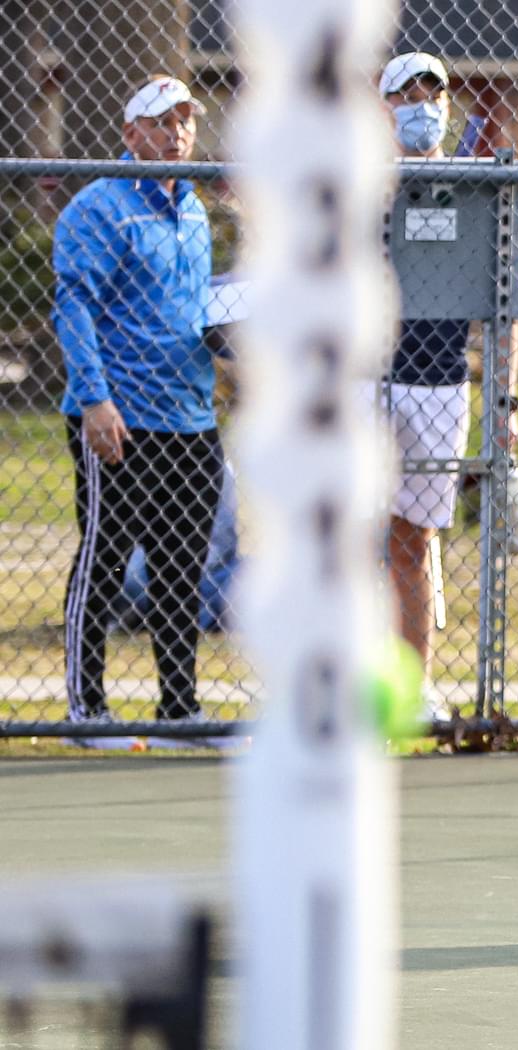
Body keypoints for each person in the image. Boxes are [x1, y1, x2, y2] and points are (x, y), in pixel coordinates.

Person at [55, 76, 226, 749]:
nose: (176, 132)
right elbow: (75, 307)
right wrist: (95, 399)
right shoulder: (97, 208)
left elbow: (195, 310)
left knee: (183, 566)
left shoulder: (195, 210)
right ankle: (86, 711)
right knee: (103, 559)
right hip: (119, 419)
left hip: (192, 419)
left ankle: (179, 710)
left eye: (185, 119)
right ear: (130, 135)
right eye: (160, 122)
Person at [373, 52, 518, 720]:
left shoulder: (475, 188)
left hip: (439, 386)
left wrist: (504, 403)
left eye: (433, 92)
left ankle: (412, 690)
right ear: (382, 107)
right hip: (362, 380)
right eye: (406, 94)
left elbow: (501, 308)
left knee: (414, 541)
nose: (421, 104)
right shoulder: (353, 184)